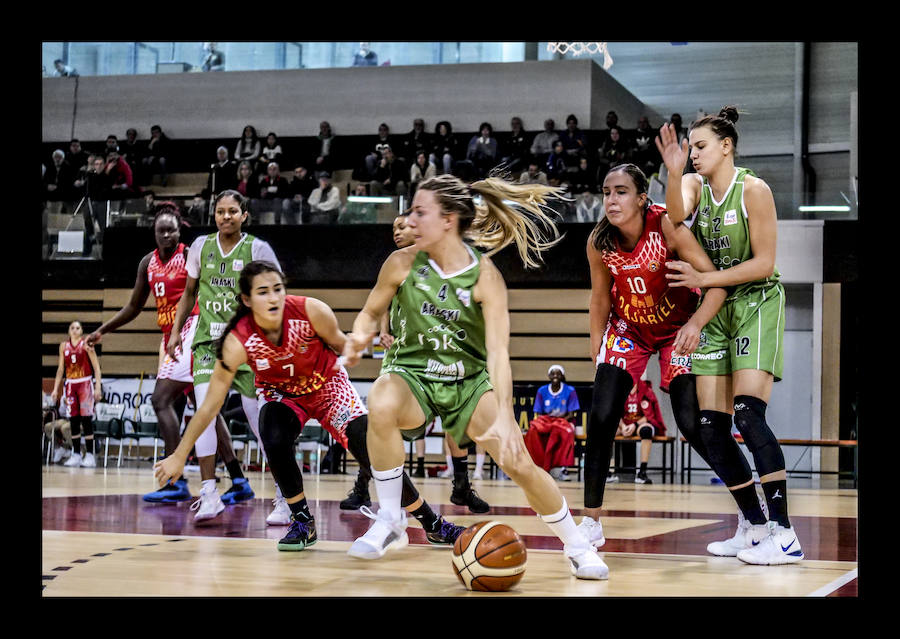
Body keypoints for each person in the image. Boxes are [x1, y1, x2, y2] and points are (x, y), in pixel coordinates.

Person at [339, 173, 608, 578]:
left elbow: (499, 354)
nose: (410, 220)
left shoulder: (484, 276)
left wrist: (502, 412)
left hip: (467, 381)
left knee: (519, 461)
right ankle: (391, 518)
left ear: (448, 220)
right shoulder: (400, 263)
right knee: (381, 399)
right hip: (412, 374)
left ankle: (577, 544)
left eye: (419, 212)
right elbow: (370, 311)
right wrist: (359, 336)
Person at [154, 261, 465, 551]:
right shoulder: (238, 341)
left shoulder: (311, 310)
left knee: (369, 445)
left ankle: (431, 522)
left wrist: (353, 350)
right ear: (247, 300)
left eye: (277, 288)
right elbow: (210, 405)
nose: (273, 296)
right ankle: (302, 521)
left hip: (328, 386)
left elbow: (343, 347)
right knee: (272, 433)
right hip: (283, 394)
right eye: (263, 292)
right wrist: (180, 455)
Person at [655, 106, 802, 565]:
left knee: (747, 416)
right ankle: (753, 527)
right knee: (711, 427)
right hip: (719, 304)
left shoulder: (754, 191)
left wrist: (705, 283)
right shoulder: (696, 184)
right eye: (691, 147)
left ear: (726, 146)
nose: (694, 154)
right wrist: (674, 170)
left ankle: (784, 532)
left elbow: (764, 263)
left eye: (700, 147)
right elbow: (675, 217)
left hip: (756, 299)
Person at [578, 163, 729, 560]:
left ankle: (747, 502)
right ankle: (590, 522)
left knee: (690, 423)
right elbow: (600, 297)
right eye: (607, 192)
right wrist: (597, 343)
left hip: (676, 329)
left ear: (642, 198)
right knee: (603, 415)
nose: (612, 199)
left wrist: (696, 323)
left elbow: (715, 283)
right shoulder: (600, 241)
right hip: (629, 329)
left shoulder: (667, 227)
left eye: (621, 191)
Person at [86, 203, 254, 503]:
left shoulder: (190, 255)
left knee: (160, 399)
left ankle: (175, 479)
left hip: (193, 330)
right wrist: (103, 330)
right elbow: (134, 306)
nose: (166, 235)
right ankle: (239, 480)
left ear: (180, 231)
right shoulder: (147, 263)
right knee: (206, 410)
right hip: (172, 337)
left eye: (171, 230)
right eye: (161, 230)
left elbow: (202, 292)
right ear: (154, 232)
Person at [165, 190, 288, 524]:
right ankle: (208, 493)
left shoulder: (258, 249)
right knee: (204, 412)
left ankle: (284, 495)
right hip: (209, 344)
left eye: (233, 211)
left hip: (249, 345)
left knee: (260, 421)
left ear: (244, 215)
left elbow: (278, 292)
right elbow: (189, 292)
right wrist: (177, 331)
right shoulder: (201, 247)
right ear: (214, 215)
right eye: (220, 211)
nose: (226, 217)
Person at [50, 321, 103, 467]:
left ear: (82, 331)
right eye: (72, 328)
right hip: (70, 384)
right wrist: (55, 389)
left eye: (77, 328)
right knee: (73, 420)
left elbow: (96, 368)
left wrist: (97, 387)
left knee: (86, 420)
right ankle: (76, 454)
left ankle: (91, 455)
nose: (74, 330)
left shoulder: (86, 344)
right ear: (68, 331)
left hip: (85, 383)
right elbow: (61, 369)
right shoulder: (63, 346)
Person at [525, 365, 579, 482]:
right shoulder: (542, 391)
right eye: (553, 373)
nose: (555, 376)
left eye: (558, 373)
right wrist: (547, 423)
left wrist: (557, 421)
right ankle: (536, 466)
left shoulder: (570, 391)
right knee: (533, 431)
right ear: (549, 376)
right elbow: (538, 413)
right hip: (547, 421)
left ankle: (562, 469)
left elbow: (571, 414)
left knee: (565, 433)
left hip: (564, 420)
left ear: (562, 376)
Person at [617, 377, 666, 484]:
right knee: (606, 430)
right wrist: (623, 426)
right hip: (624, 424)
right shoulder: (619, 389)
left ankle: (642, 472)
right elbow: (615, 412)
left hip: (640, 424)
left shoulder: (645, 389)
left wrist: (634, 425)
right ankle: (605, 471)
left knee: (646, 431)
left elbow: (649, 415)